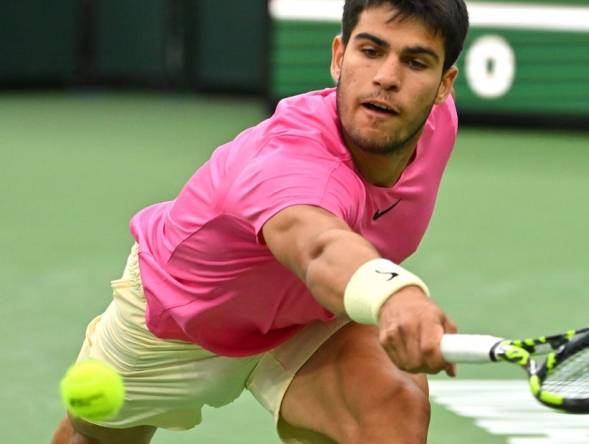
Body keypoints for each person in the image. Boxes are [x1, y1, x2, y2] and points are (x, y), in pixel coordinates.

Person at [51, 0, 469, 442]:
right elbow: (320, 246)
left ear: (444, 85)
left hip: (308, 315)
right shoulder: (290, 159)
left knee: (392, 408)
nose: (387, 77)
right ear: (338, 56)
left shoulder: (436, 124)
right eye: (370, 51)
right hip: (180, 317)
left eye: (415, 62)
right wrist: (394, 297)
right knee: (94, 437)